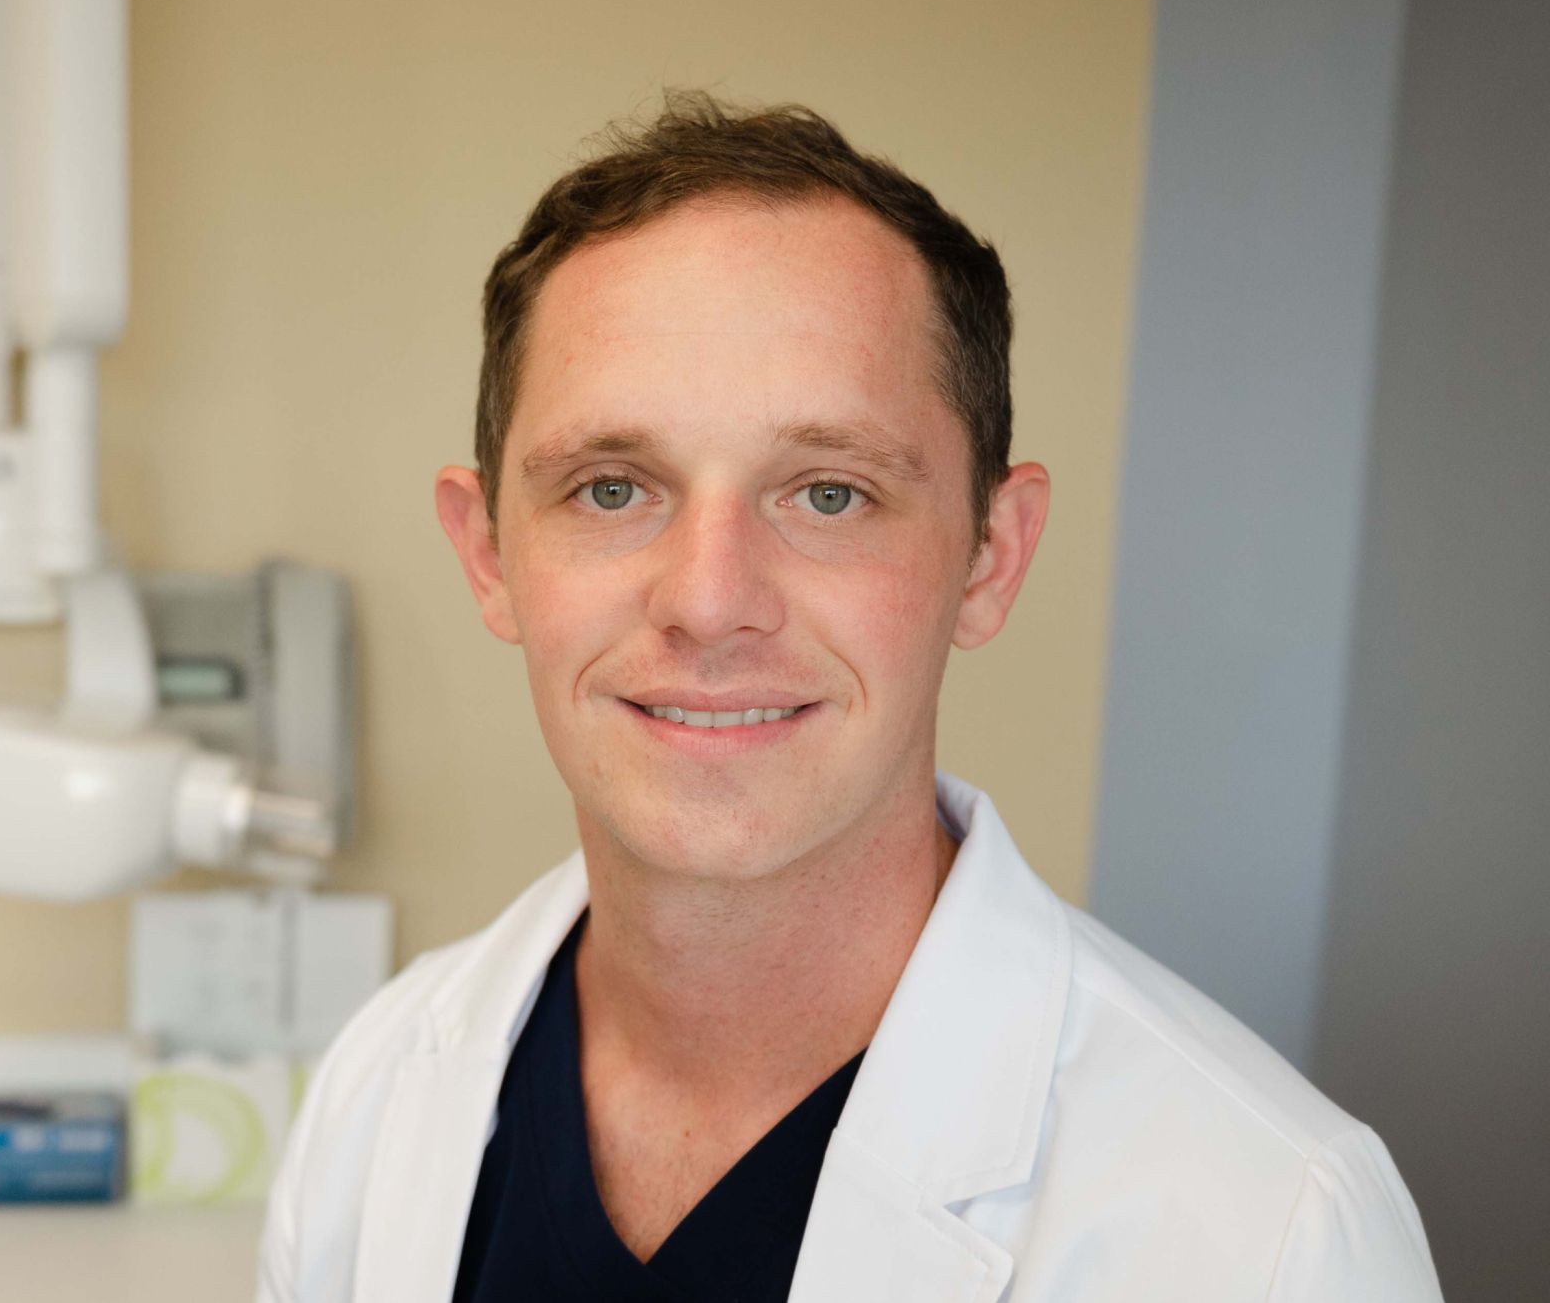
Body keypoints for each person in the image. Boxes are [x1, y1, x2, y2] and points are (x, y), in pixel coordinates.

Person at [257, 93, 1442, 1302]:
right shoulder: (375, 1095)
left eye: (828, 493)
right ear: (489, 553)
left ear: (990, 555)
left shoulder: (1269, 1232)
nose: (710, 601)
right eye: (613, 490)